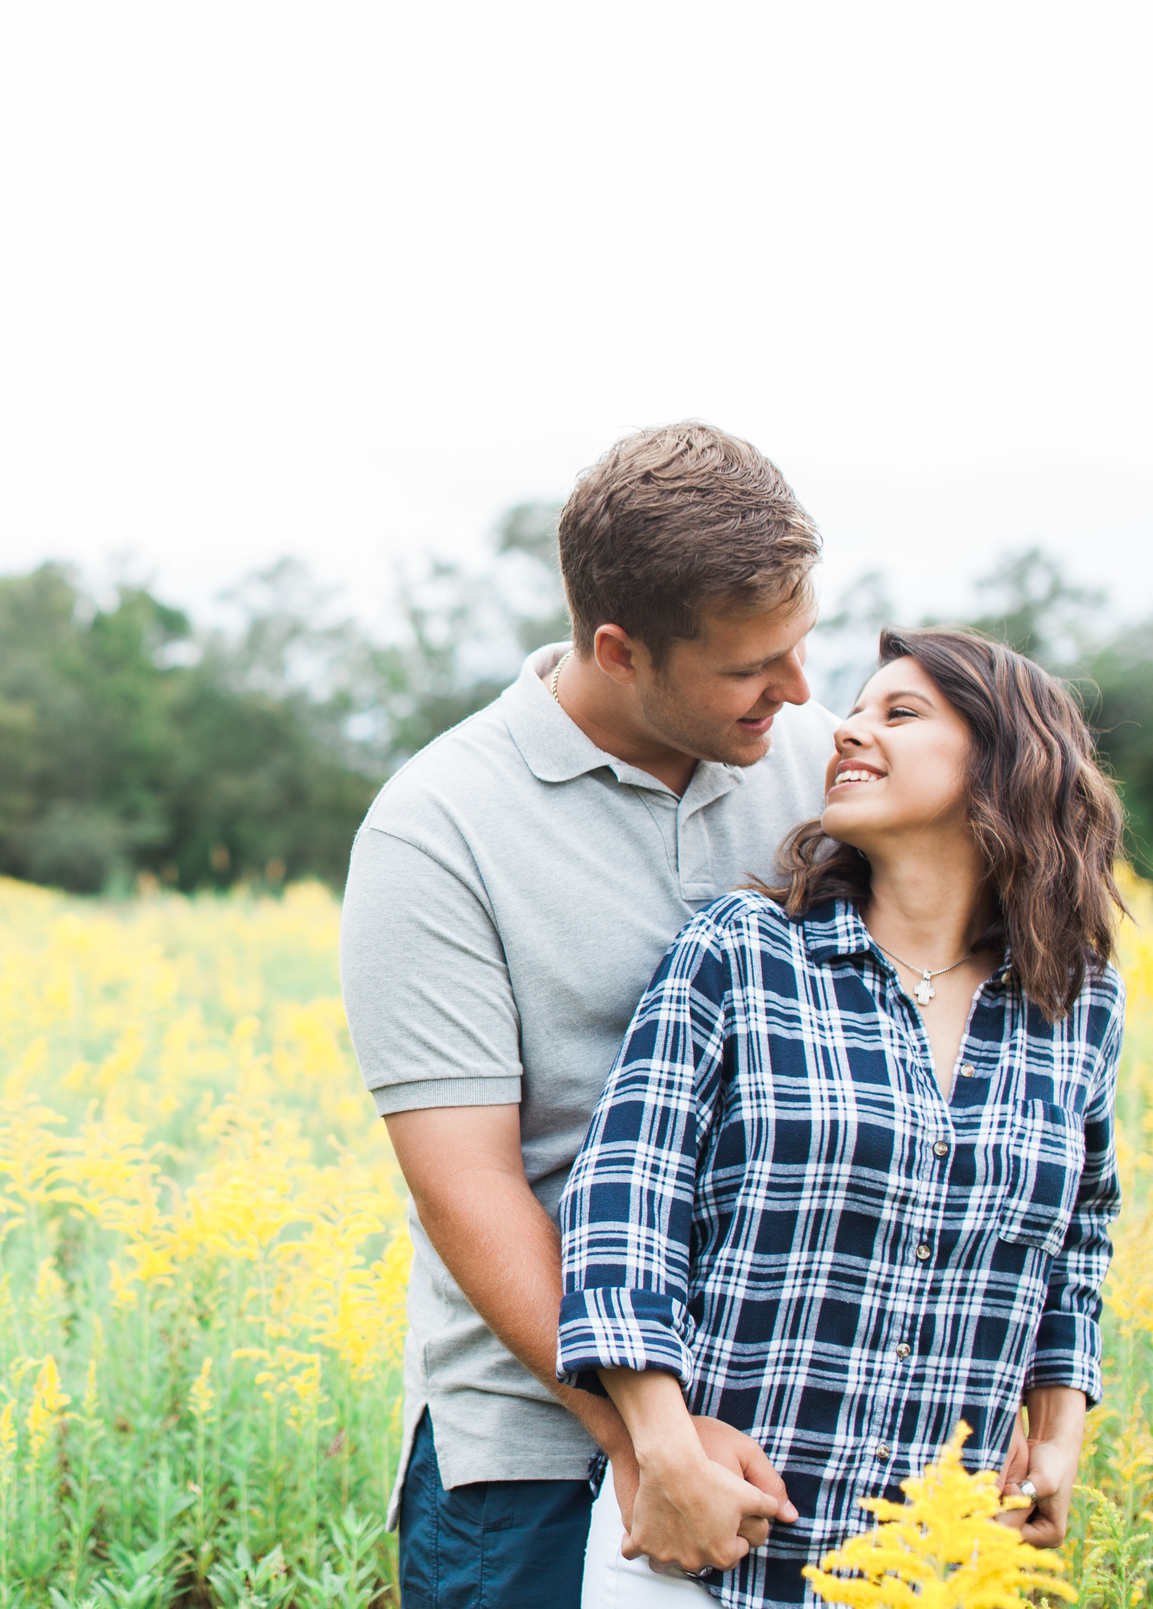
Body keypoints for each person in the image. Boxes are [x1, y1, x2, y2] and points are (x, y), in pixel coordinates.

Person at [340, 422, 831, 1609]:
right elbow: (470, 1184)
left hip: (798, 1428)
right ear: (617, 648)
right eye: (747, 665)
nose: (799, 689)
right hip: (538, 1448)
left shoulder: (824, 767)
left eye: (801, 644)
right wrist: (644, 1438)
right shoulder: (436, 828)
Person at [556, 627, 1125, 1609]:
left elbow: (1078, 1239)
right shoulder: (742, 949)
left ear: (1008, 760)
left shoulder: (1076, 1001)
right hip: (709, 1542)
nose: (848, 731)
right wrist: (661, 1443)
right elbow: (623, 1203)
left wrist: (1060, 1433)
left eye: (897, 713)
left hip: (944, 1555)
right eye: (853, 713)